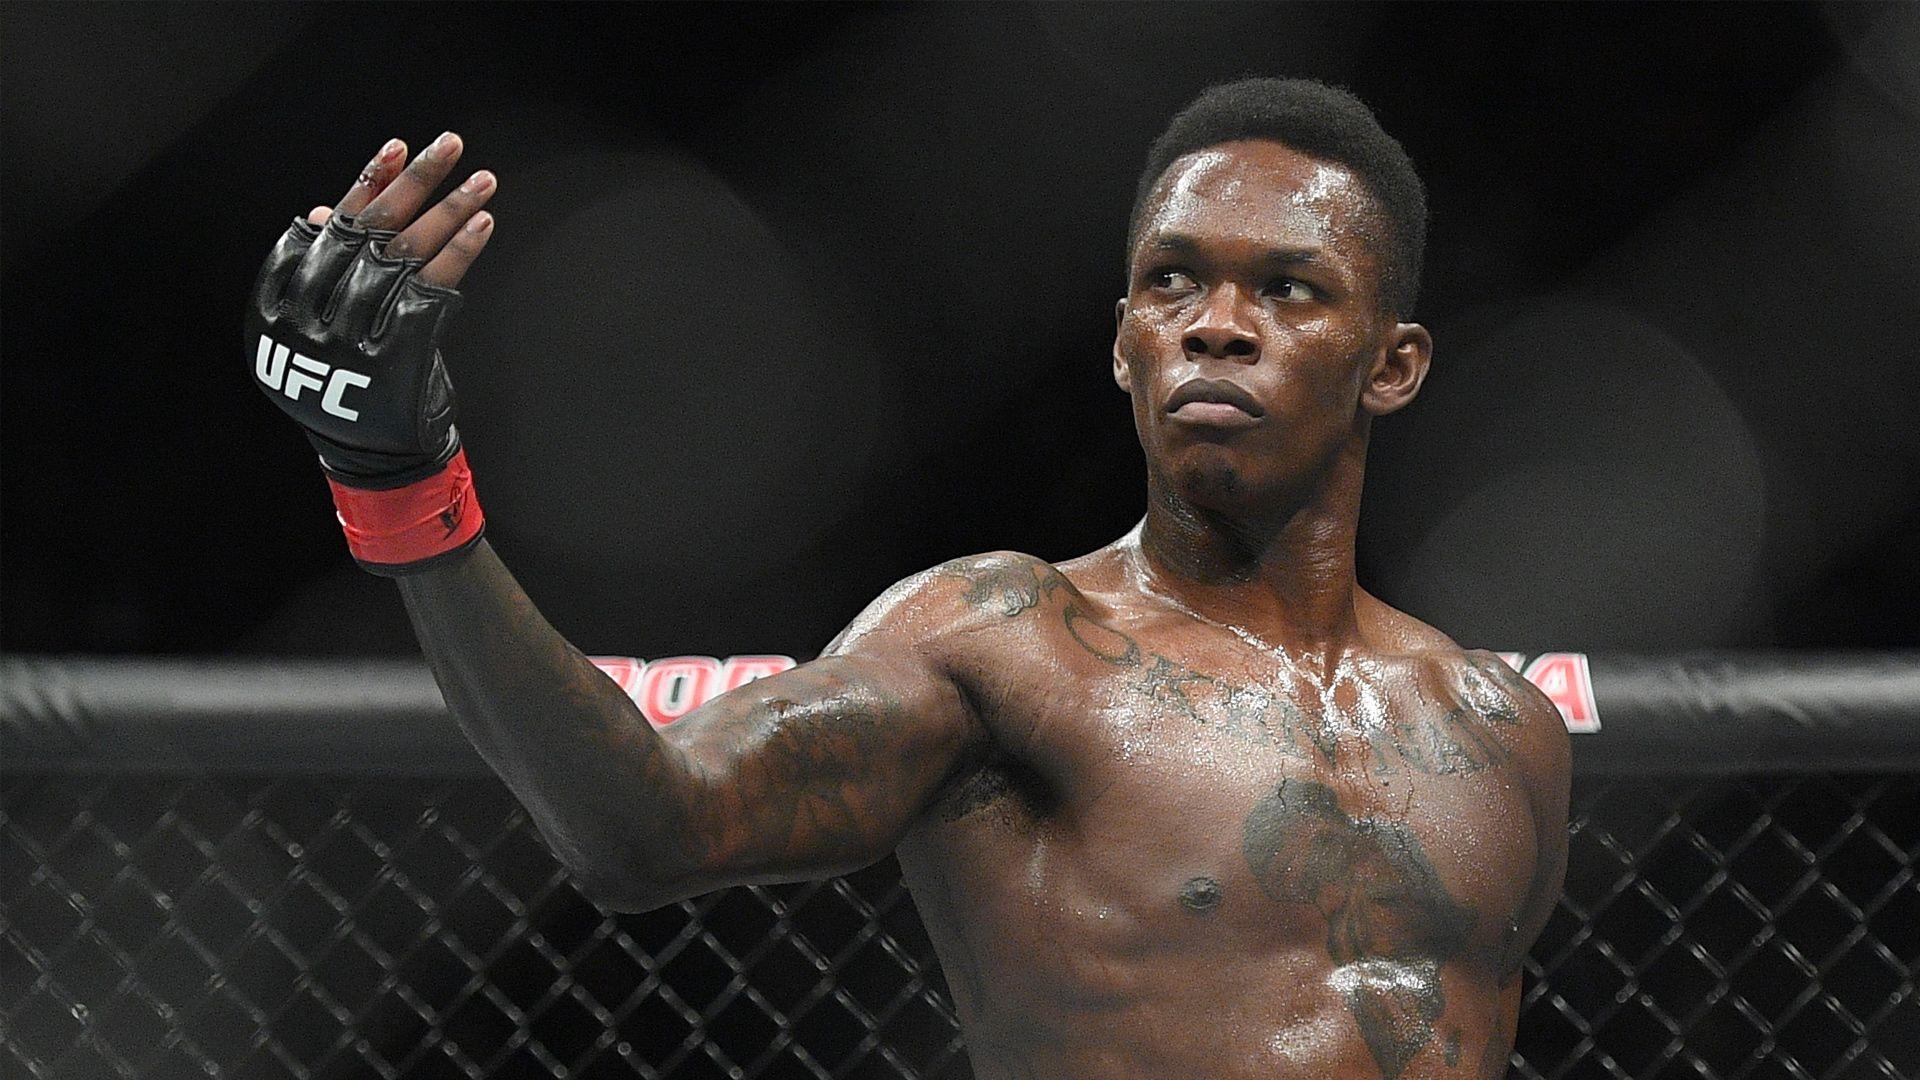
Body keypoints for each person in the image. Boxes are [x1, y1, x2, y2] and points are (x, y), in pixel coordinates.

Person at [248, 78, 1570, 1078]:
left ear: (1392, 366)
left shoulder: (1500, 732)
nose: (1215, 326)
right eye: (1173, 282)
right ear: (1125, 343)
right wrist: (402, 483)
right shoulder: (1012, 642)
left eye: (1286, 290)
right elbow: (647, 827)